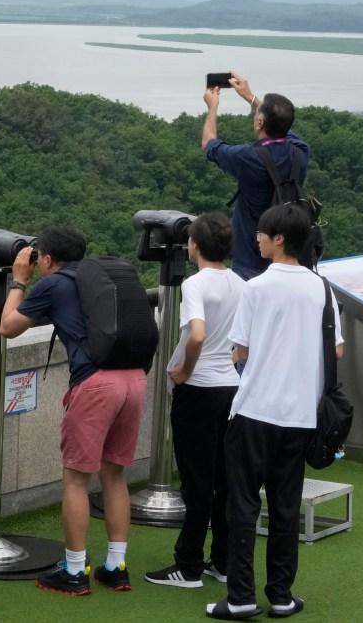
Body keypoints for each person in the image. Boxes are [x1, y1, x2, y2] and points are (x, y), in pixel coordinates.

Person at [206, 204, 339, 620]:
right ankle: (281, 595)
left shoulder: (256, 288)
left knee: (242, 505)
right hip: (301, 416)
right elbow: (335, 352)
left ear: (279, 238)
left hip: (254, 411)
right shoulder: (324, 290)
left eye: (262, 233)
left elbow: (239, 351)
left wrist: (255, 369)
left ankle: (241, 596)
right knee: (286, 507)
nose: (257, 239)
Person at [1, 226, 148, 596]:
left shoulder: (53, 284)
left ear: (46, 259)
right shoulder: (95, 280)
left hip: (96, 384)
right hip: (133, 378)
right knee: (114, 475)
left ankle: (74, 570)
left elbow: (8, 327)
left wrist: (19, 280)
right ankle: (116, 566)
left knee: (76, 481)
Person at [145, 214, 245, 590]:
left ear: (194, 247)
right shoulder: (240, 283)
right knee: (224, 480)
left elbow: (197, 334)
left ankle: (187, 565)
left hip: (199, 391)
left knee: (196, 481)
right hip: (230, 389)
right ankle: (222, 561)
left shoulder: (195, 284)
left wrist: (185, 370)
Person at [201, 73, 311, 280]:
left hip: (251, 262)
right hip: (290, 261)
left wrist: (212, 107)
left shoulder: (248, 158)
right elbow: (282, 126)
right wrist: (251, 98)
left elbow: (209, 144)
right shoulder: (300, 153)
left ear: (260, 123)